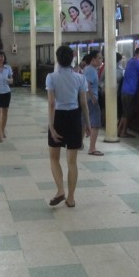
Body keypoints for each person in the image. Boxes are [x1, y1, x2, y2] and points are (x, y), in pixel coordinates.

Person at [46, 45, 90, 208]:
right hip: (73, 118)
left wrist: (51, 126)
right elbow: (84, 104)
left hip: (58, 117)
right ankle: (71, 198)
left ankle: (60, 190)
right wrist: (87, 124)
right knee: (72, 162)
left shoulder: (51, 77)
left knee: (54, 158)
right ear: (72, 58)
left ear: (57, 58)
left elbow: (51, 103)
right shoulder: (79, 78)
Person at [118, 47, 139, 138]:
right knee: (128, 112)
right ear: (136, 54)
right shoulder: (138, 62)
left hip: (124, 90)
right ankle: (123, 132)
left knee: (124, 112)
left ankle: (119, 130)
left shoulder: (130, 61)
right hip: (131, 90)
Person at [82, 50, 104, 156]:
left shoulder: (87, 68)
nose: (101, 60)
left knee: (84, 121)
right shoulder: (91, 70)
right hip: (91, 100)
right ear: (93, 59)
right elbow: (87, 84)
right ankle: (92, 148)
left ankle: (79, 144)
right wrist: (92, 96)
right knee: (95, 123)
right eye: (99, 58)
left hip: (87, 99)